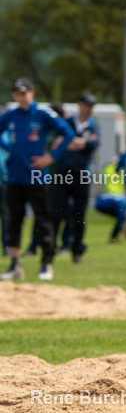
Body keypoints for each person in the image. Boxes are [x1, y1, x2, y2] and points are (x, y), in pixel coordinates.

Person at [0, 78, 75, 281]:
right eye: (16, 93)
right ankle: (15, 265)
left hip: (36, 176)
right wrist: (10, 151)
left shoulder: (42, 114)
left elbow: (67, 132)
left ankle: (46, 264)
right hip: (14, 176)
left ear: (31, 93)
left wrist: (51, 156)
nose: (20, 97)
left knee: (43, 220)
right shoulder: (10, 116)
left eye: (23, 93)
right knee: (13, 221)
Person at [50, 93, 101, 263]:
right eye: (86, 104)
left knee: (79, 215)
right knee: (57, 211)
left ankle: (76, 250)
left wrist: (70, 143)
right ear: (79, 104)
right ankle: (50, 249)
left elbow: (93, 144)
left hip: (82, 174)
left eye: (91, 105)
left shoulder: (94, 126)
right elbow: (56, 143)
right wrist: (81, 143)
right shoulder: (67, 122)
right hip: (63, 172)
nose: (88, 108)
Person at [94, 161, 126, 241]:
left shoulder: (108, 169)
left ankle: (118, 232)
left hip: (102, 201)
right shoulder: (118, 170)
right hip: (115, 198)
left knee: (122, 216)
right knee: (122, 215)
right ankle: (116, 233)